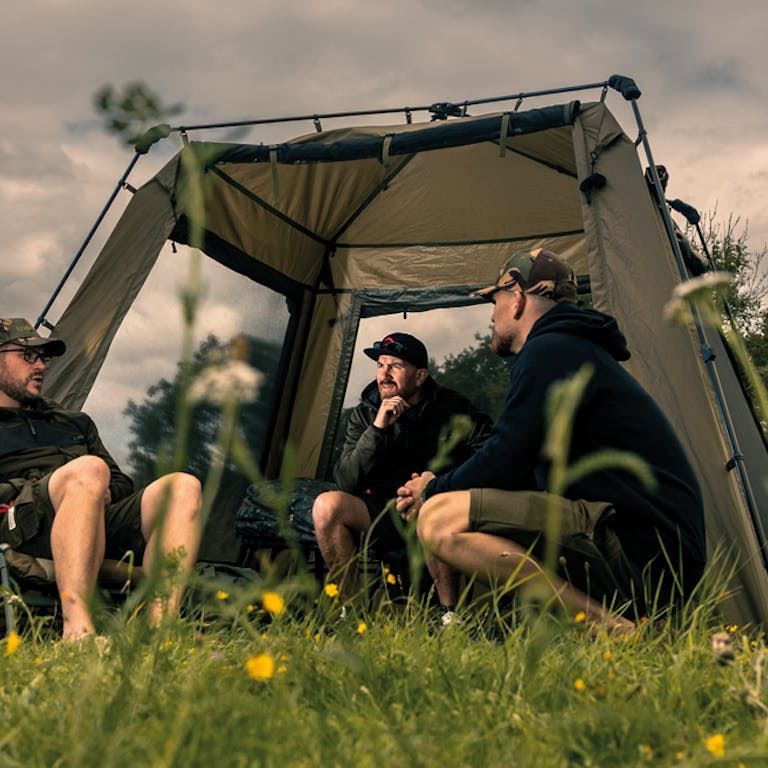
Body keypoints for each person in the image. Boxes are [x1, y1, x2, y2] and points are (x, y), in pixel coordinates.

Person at [396, 250, 706, 631]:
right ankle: (497, 626)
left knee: (440, 518)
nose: (492, 315)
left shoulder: (549, 350)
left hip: (638, 547)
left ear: (518, 298)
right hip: (656, 552)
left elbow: (507, 455)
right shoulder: (573, 349)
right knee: (466, 514)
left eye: (495, 301)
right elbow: (520, 470)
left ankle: (613, 630)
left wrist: (433, 488)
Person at [0, 318, 202, 640]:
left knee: (182, 487)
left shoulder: (73, 422)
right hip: (20, 520)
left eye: (43, 358)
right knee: (88, 470)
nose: (40, 365)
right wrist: (61, 483)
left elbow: (121, 483)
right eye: (27, 355)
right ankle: (77, 631)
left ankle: (157, 633)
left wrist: (94, 490)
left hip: (89, 508)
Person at [312, 332, 492, 602]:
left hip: (434, 506)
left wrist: (440, 482)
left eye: (395, 366)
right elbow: (346, 481)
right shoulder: (365, 414)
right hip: (381, 512)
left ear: (420, 376)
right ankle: (347, 611)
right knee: (327, 506)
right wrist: (377, 429)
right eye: (380, 365)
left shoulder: (454, 409)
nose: (384, 374)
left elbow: (490, 457)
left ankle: (450, 616)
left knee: (429, 509)